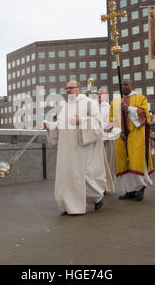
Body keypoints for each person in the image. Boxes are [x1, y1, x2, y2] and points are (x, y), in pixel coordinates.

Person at [44, 81, 109, 215]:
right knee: (67, 176)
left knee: (84, 176)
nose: (68, 91)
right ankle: (68, 205)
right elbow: (61, 123)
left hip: (81, 147)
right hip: (67, 149)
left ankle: (98, 198)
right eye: (67, 88)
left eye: (71, 88)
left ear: (79, 89)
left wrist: (82, 121)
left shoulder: (89, 102)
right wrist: (50, 125)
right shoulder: (66, 106)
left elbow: (98, 123)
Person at [110, 79, 154, 202]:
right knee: (123, 162)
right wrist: (120, 132)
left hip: (136, 135)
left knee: (136, 160)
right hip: (121, 137)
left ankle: (140, 187)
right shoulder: (115, 101)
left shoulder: (140, 98)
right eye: (122, 85)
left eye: (126, 84)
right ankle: (129, 190)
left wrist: (128, 108)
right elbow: (112, 119)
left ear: (132, 86)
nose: (123, 86)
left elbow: (146, 116)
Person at [97, 87, 117, 194]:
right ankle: (100, 185)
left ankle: (108, 185)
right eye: (98, 94)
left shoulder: (110, 108)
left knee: (108, 163)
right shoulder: (94, 107)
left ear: (106, 96)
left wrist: (102, 127)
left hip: (108, 138)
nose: (99, 96)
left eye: (102, 94)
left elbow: (113, 123)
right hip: (97, 139)